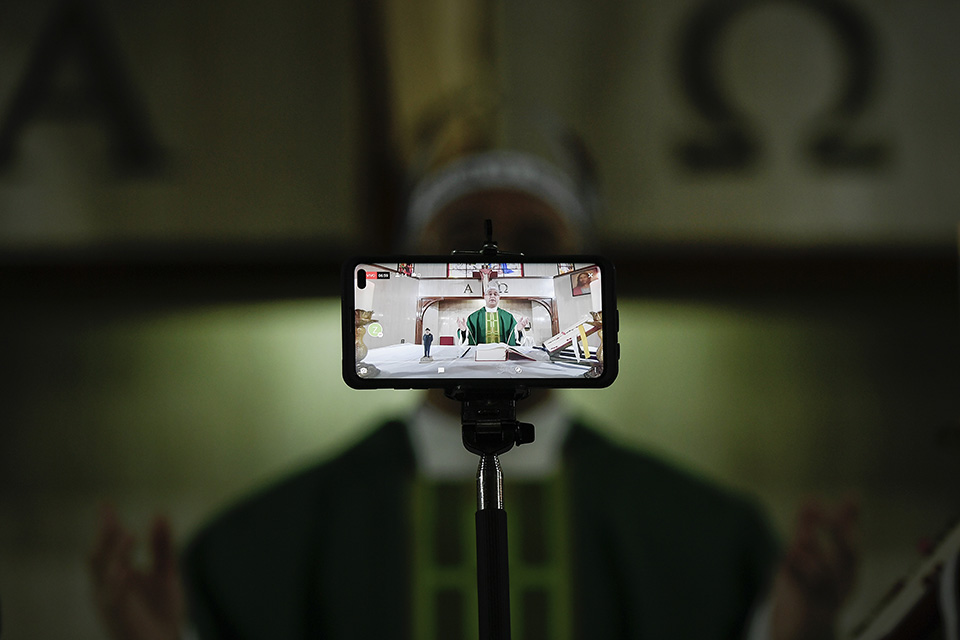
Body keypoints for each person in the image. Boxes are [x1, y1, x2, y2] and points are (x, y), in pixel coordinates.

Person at [89, 127, 859, 640]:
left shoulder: (699, 533)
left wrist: (796, 630)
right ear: (409, 274)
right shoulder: (284, 536)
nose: (499, 272)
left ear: (584, 282)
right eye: (462, 245)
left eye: (536, 245)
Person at [456, 283, 527, 346]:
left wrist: (518, 330)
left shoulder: (508, 317)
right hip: (481, 353)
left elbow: (514, 338)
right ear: (484, 296)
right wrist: (464, 331)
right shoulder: (474, 317)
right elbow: (468, 338)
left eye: (495, 294)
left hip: (502, 353)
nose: (492, 296)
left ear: (499, 297)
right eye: (490, 294)